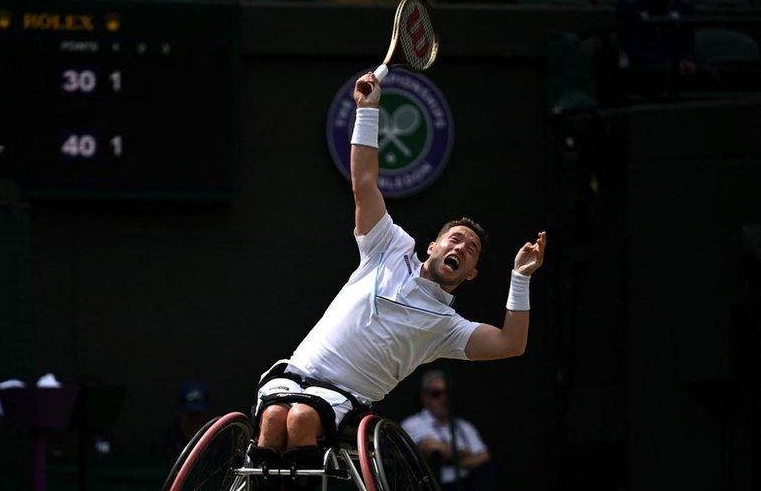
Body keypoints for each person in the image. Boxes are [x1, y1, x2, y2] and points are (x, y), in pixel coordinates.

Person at [248, 72, 546, 484]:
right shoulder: (387, 247)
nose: (460, 248)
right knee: (273, 421)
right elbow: (364, 182)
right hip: (294, 373)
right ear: (433, 245)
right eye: (455, 240)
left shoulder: (448, 327)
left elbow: (512, 343)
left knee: (298, 420)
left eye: (471, 250)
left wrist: (520, 278)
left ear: (472, 273)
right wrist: (368, 111)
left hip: (343, 400)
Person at [616, 0, 697, 95]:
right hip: (646, 66)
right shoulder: (629, 6)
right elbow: (630, 48)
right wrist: (667, 63)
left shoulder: (684, 5)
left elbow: (688, 41)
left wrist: (687, 59)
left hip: (676, 65)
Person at [401, 369, 492, 491]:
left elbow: (484, 456)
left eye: (446, 393)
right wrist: (465, 453)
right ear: (424, 397)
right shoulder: (413, 424)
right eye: (436, 394)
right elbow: (431, 448)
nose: (443, 398)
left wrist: (452, 460)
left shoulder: (463, 425)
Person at [154, 382, 211, 462]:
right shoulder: (164, 443)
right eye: (190, 414)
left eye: (197, 414)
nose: (194, 419)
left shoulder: (215, 443)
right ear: (180, 412)